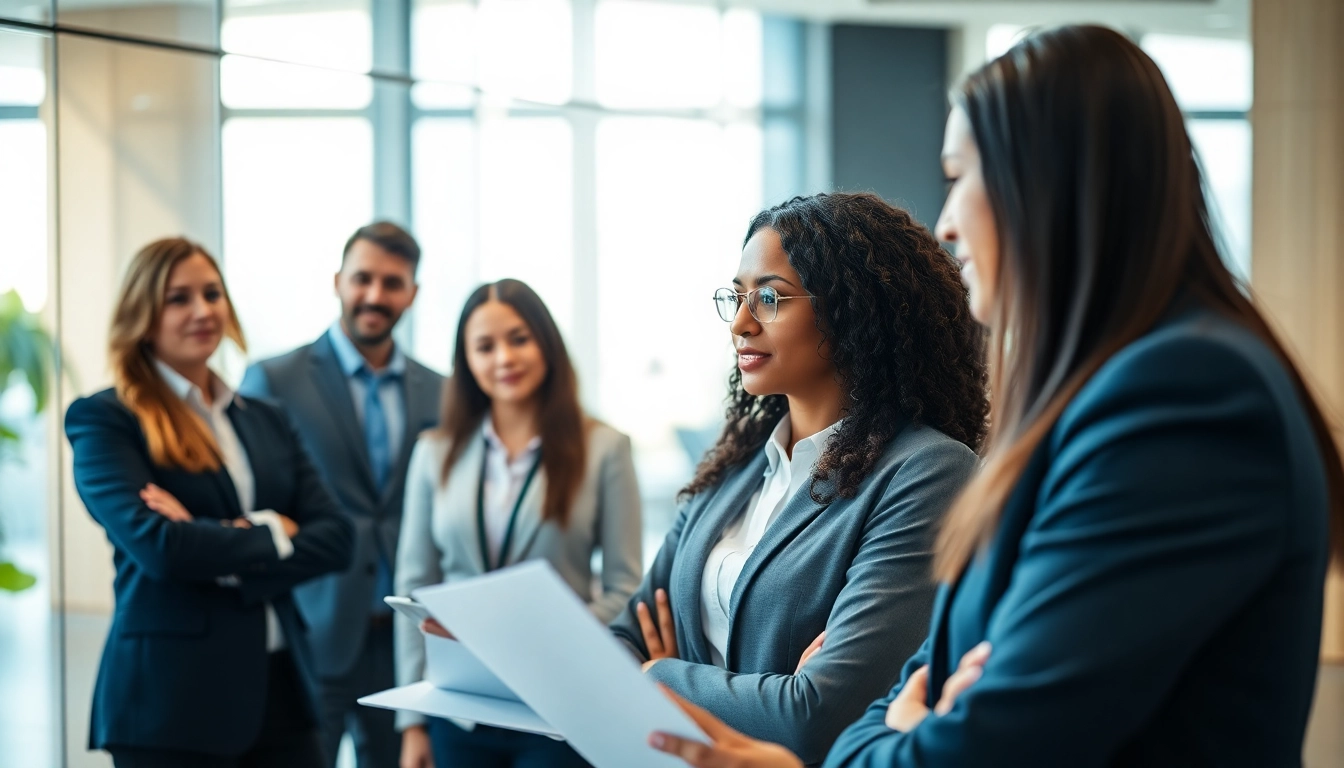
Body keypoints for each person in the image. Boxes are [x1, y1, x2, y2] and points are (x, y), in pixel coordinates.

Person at [647, 25, 1344, 768]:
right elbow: (922, 678)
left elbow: (998, 740)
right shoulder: (1098, 397)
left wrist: (839, 750)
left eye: (958, 177)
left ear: (1045, 182)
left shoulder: (1185, 398)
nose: (946, 223)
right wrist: (895, 729)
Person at [609, 192, 988, 766]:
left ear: (853, 309)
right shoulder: (733, 468)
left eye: (768, 298)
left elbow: (814, 718)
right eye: (737, 298)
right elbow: (615, 641)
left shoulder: (928, 472)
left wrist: (655, 672)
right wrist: (748, 690)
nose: (740, 322)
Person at [65, 237, 355, 768]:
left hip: (284, 692)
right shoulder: (106, 420)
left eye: (212, 293)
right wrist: (274, 532)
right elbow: (161, 549)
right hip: (172, 703)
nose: (202, 311)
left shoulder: (265, 417)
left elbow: (337, 537)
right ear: (144, 315)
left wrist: (213, 536)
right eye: (178, 298)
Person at [395, 278, 644, 768]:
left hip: (556, 710)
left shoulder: (605, 449)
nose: (504, 358)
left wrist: (538, 643)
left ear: (546, 344)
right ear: (465, 361)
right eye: (484, 347)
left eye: (519, 339)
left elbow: (624, 588)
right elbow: (415, 582)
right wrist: (413, 722)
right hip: (459, 709)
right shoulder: (434, 452)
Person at [239, 221, 443, 768]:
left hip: (404, 636)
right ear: (337, 281)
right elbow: (250, 499)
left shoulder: (442, 391)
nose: (375, 295)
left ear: (413, 294)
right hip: (311, 627)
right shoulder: (274, 380)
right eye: (363, 279)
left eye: (393, 282)